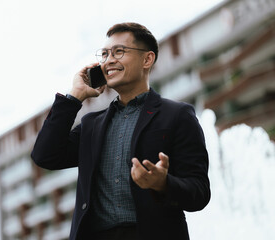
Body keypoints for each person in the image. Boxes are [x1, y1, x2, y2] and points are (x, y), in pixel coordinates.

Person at [31, 22, 210, 240]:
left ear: (147, 59)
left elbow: (199, 192)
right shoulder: (91, 125)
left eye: (119, 51)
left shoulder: (177, 115)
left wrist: (162, 183)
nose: (109, 60)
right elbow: (44, 155)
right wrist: (74, 97)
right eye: (105, 54)